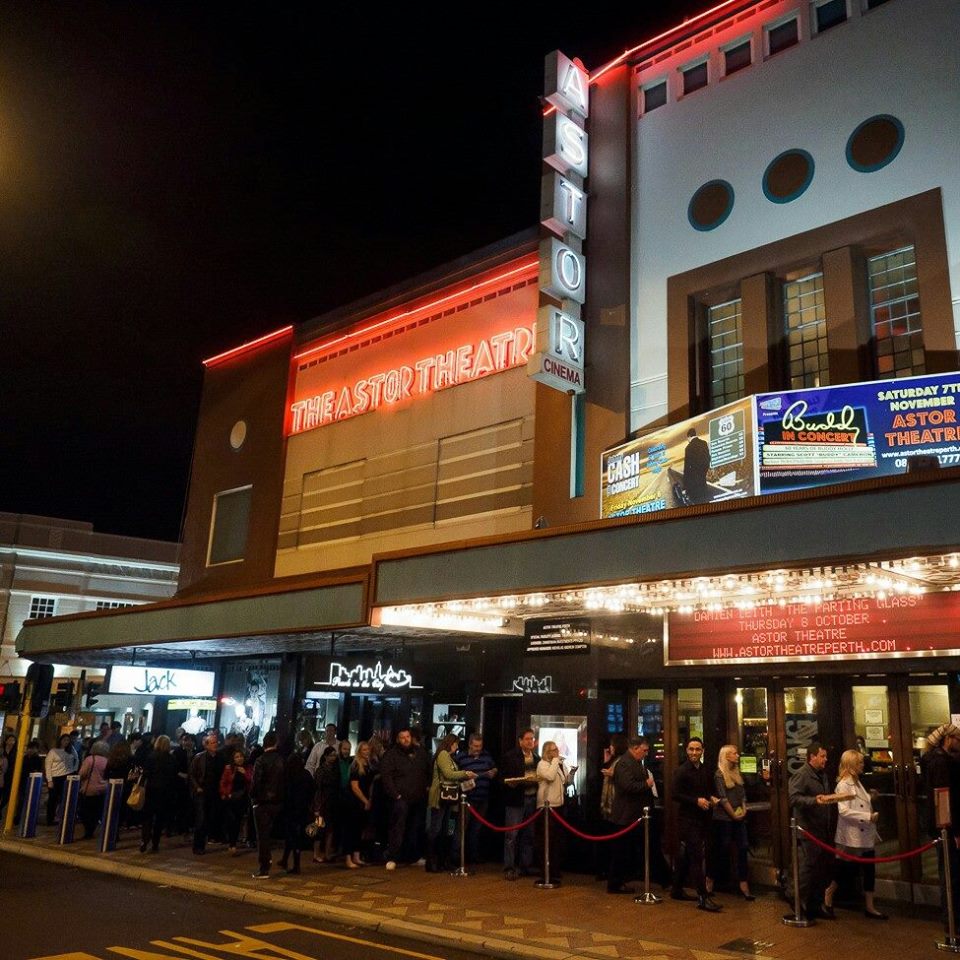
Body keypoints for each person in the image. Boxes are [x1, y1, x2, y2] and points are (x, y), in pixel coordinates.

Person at [821, 748, 886, 919]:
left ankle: (870, 906)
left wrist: (870, 798)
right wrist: (868, 816)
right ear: (851, 765)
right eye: (859, 762)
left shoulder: (857, 782)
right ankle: (829, 894)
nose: (862, 765)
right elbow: (844, 811)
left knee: (869, 869)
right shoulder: (843, 784)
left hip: (865, 835)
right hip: (851, 836)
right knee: (846, 870)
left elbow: (859, 802)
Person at [788, 741, 837, 921]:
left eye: (825, 756)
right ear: (812, 757)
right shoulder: (802, 775)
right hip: (807, 831)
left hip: (820, 831)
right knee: (805, 871)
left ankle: (814, 906)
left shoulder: (821, 775)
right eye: (822, 756)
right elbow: (793, 798)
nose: (825, 759)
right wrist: (814, 801)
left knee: (819, 871)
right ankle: (797, 904)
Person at [671, 736, 721, 911]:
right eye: (691, 749)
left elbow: (711, 790)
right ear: (686, 750)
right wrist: (695, 801)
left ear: (702, 751)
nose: (694, 752)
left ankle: (676, 888)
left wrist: (713, 798)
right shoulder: (681, 771)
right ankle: (702, 897)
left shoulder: (706, 770)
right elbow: (674, 794)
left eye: (697, 749)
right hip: (688, 820)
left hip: (704, 818)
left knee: (687, 856)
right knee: (696, 857)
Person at [921, 723, 960, 939]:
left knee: (951, 874)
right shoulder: (941, 763)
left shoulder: (936, 761)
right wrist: (953, 829)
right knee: (951, 875)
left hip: (945, 827)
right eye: (957, 739)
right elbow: (945, 799)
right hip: (947, 829)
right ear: (948, 739)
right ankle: (953, 924)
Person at [607, 735, 655, 894]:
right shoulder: (624, 763)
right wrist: (646, 784)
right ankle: (615, 883)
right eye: (644, 750)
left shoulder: (634, 762)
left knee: (627, 850)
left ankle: (622, 880)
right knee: (620, 851)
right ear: (635, 748)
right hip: (625, 816)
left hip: (633, 815)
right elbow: (628, 786)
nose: (646, 753)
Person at [707, 744, 754, 900]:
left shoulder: (737, 773)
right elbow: (722, 798)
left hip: (739, 816)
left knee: (743, 847)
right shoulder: (719, 774)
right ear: (726, 756)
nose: (737, 756)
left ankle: (743, 882)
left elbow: (742, 795)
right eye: (734, 753)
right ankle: (711, 879)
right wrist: (733, 814)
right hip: (724, 818)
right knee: (722, 848)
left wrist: (744, 808)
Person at [380, 728, 431, 871]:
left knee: (416, 828)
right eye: (402, 737)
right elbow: (386, 777)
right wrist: (396, 795)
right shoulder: (391, 755)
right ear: (397, 739)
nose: (406, 739)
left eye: (408, 736)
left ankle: (413, 856)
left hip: (419, 798)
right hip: (400, 799)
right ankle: (393, 857)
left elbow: (428, 770)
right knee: (398, 828)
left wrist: (427, 786)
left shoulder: (420, 753)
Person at [426, 734, 476, 872]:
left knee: (445, 829)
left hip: (448, 797)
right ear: (450, 743)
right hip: (440, 797)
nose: (457, 747)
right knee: (436, 829)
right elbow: (448, 774)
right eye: (456, 744)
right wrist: (465, 774)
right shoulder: (443, 754)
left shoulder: (449, 757)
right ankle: (432, 861)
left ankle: (441, 860)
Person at [534, 740, 576, 884]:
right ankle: (545, 870)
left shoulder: (558, 764)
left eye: (557, 749)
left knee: (557, 840)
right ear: (547, 752)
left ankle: (555, 869)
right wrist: (556, 762)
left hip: (559, 806)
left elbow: (566, 782)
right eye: (553, 750)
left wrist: (572, 773)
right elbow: (550, 777)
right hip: (546, 806)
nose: (557, 751)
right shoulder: (542, 765)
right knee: (546, 839)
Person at [501, 729, 540, 881]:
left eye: (532, 739)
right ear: (520, 741)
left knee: (529, 835)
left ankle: (526, 866)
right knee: (512, 835)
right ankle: (509, 867)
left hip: (532, 799)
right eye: (528, 739)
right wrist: (512, 783)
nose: (531, 741)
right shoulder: (510, 757)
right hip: (516, 800)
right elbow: (503, 778)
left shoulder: (536, 758)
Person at [453, 733, 497, 864]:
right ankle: (456, 857)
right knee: (461, 828)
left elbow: (494, 768)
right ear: (470, 744)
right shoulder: (460, 757)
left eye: (480, 746)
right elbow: (454, 774)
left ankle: (473, 857)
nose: (478, 749)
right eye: (476, 746)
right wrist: (465, 777)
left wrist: (493, 772)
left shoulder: (486, 756)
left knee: (476, 829)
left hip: (483, 798)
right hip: (467, 799)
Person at [250, 731, 285, 878]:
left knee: (262, 836)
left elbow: (256, 782)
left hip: (263, 802)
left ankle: (264, 867)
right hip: (278, 802)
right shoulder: (282, 760)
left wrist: (254, 798)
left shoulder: (261, 760)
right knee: (270, 835)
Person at [139, 735, 178, 853]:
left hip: (151, 789)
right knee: (159, 819)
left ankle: (144, 839)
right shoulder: (171, 759)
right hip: (165, 791)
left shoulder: (151, 756)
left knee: (148, 817)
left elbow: (146, 773)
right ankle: (155, 843)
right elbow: (174, 775)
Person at [279, 752, 316, 874]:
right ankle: (286, 860)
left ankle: (295, 865)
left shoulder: (288, 775)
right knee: (296, 836)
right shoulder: (306, 775)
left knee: (292, 836)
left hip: (290, 810)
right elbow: (312, 791)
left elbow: (284, 792)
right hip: (303, 810)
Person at [188, 733, 224, 855]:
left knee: (208, 818)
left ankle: (203, 843)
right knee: (201, 819)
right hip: (202, 792)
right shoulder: (200, 757)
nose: (215, 745)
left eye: (216, 743)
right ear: (206, 745)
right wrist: (197, 787)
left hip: (214, 792)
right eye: (212, 743)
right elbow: (192, 774)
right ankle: (198, 846)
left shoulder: (219, 758)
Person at [345, 741, 374, 869]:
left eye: (368, 750)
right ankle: (348, 858)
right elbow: (354, 786)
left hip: (364, 800)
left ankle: (356, 856)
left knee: (359, 829)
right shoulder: (356, 765)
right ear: (359, 751)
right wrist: (365, 800)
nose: (366, 752)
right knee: (351, 829)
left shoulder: (368, 765)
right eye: (364, 750)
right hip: (355, 801)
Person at [219, 748, 252, 854]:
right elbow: (223, 783)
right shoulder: (229, 768)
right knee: (231, 820)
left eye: (241, 756)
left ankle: (234, 842)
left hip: (243, 798)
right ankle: (232, 843)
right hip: (231, 798)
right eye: (237, 757)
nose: (239, 759)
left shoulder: (248, 768)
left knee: (238, 820)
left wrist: (245, 773)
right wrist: (225, 794)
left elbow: (252, 781)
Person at [312, 745, 340, 863]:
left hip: (332, 802)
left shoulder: (334, 769)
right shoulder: (321, 770)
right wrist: (317, 806)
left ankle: (327, 853)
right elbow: (318, 788)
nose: (333, 758)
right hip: (322, 802)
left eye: (335, 755)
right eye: (331, 755)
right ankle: (316, 853)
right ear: (326, 756)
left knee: (330, 829)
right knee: (319, 828)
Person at [77, 740, 110, 839]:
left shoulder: (90, 759)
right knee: (96, 811)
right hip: (103, 789)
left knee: (84, 811)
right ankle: (92, 829)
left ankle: (88, 830)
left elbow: (82, 774)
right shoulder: (107, 760)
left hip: (89, 789)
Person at [44, 733, 78, 826]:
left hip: (67, 776)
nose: (66, 742)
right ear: (60, 740)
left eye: (68, 740)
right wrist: (49, 780)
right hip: (55, 777)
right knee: (53, 799)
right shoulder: (53, 751)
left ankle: (62, 817)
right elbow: (48, 765)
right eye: (64, 740)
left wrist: (73, 770)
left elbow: (77, 759)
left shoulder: (71, 750)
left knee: (65, 798)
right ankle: (50, 819)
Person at [682, 427, 711, 504]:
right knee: (705, 500)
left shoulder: (688, 448)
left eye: (687, 438)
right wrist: (704, 470)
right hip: (702, 476)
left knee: (696, 503)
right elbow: (708, 458)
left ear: (689, 436)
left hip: (693, 481)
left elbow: (687, 468)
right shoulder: (704, 443)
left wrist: (684, 486)